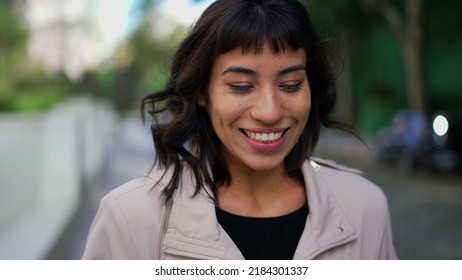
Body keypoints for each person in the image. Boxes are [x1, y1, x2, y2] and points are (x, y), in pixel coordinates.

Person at [82, 0, 397, 260]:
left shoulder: (364, 207)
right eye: (242, 86)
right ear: (202, 92)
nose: (270, 111)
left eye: (290, 85)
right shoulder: (131, 219)